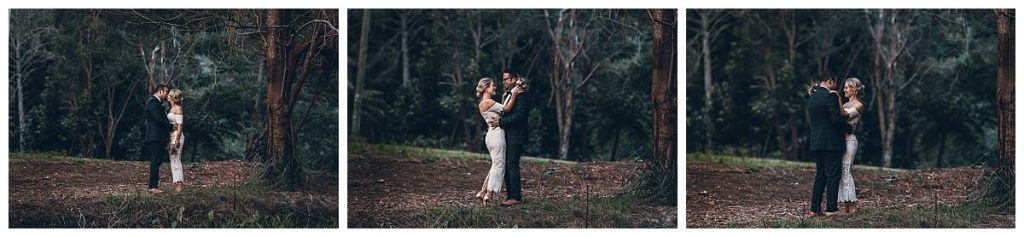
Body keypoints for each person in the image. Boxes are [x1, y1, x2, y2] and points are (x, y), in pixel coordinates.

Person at [806, 74, 854, 217]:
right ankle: (831, 209)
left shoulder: (813, 97)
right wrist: (849, 128)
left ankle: (814, 209)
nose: (836, 85)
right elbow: (835, 119)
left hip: (817, 141)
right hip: (831, 142)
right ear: (830, 81)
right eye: (835, 82)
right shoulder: (830, 96)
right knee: (833, 174)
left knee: (820, 175)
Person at [474, 77, 524, 203]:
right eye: (492, 85)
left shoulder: (485, 103)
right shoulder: (487, 102)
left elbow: (501, 110)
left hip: (491, 135)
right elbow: (506, 109)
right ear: (485, 87)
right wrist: (514, 94)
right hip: (497, 135)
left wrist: (505, 97)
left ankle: (483, 191)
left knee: (495, 164)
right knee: (499, 165)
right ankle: (489, 194)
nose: (495, 87)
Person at [488, 72, 531, 206]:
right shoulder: (508, 94)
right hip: (507, 135)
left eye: (506, 79)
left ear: (514, 79)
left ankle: (516, 197)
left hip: (516, 135)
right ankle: (510, 196)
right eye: (503, 79)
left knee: (512, 164)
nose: (504, 82)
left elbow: (519, 116)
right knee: (506, 164)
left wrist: (500, 122)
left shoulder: (522, 95)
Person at [830, 78, 865, 214]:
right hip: (840, 140)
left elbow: (843, 115)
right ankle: (846, 203)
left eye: (846, 87)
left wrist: (837, 99)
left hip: (850, 140)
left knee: (846, 170)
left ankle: (853, 203)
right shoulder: (846, 103)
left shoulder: (859, 104)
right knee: (841, 171)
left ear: (854, 89)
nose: (844, 90)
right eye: (844, 87)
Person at [145, 85, 172, 194]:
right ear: (160, 91)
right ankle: (152, 187)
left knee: (157, 161)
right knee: (155, 162)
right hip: (155, 136)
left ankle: (153, 186)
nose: (167, 95)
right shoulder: (152, 102)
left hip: (158, 136)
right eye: (166, 92)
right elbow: (158, 118)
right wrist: (170, 127)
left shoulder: (157, 103)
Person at [166, 89, 186, 192]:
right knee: (173, 158)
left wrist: (177, 139)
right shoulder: (172, 108)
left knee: (176, 158)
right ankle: (177, 182)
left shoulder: (178, 108)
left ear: (173, 97)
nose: (167, 96)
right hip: (171, 136)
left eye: (169, 95)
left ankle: (179, 183)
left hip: (176, 136)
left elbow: (180, 125)